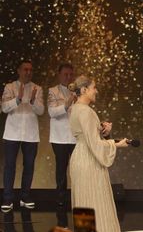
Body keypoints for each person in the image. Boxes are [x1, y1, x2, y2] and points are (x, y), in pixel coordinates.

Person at [68, 75, 128, 232]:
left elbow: (87, 137)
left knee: (85, 204)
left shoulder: (75, 108)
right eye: (94, 87)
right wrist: (116, 144)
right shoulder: (86, 112)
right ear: (84, 90)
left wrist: (104, 133)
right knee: (94, 202)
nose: (96, 91)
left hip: (79, 157)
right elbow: (93, 144)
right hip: (89, 160)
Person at [1, 60, 44, 212]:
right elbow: (5, 108)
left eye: (30, 70)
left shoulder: (37, 88)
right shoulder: (10, 87)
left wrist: (32, 101)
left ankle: (25, 196)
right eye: (25, 69)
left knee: (29, 166)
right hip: (12, 133)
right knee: (10, 166)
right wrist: (18, 99)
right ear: (19, 71)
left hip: (31, 134)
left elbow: (41, 111)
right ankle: (7, 199)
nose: (28, 72)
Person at [48, 63, 77, 206]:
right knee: (61, 168)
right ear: (59, 75)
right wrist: (67, 104)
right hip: (59, 137)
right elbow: (52, 112)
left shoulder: (79, 92)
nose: (68, 77)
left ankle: (79, 196)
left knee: (78, 167)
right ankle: (61, 197)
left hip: (76, 137)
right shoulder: (53, 91)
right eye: (65, 74)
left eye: (71, 74)